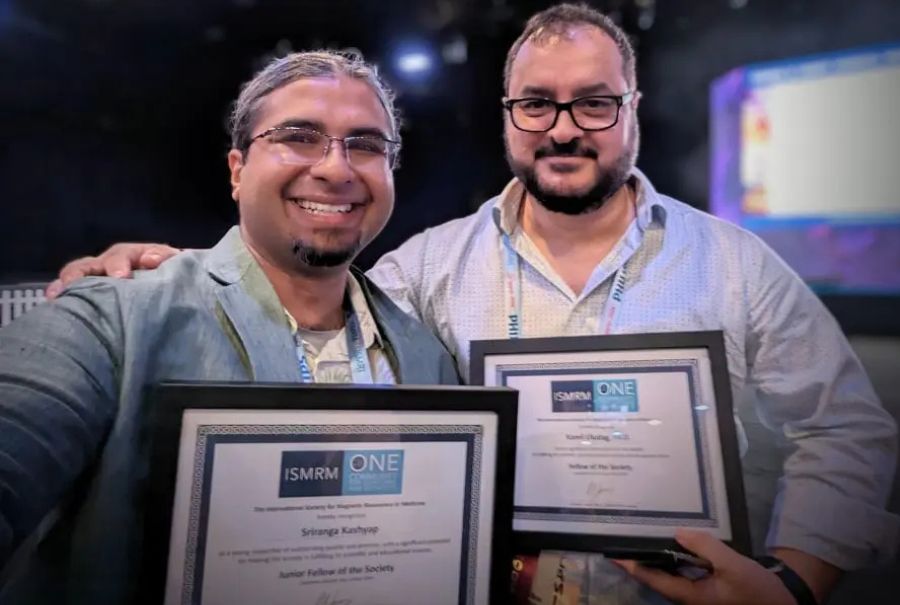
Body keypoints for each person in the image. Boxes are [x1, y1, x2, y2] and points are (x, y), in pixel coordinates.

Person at [47, 4, 899, 605]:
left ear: (631, 111)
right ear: (509, 115)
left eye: (595, 101)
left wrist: (793, 580)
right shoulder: (427, 266)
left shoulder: (737, 263)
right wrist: (176, 272)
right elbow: (304, 293)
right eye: (537, 102)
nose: (564, 126)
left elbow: (847, 427)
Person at [0, 50, 458, 604]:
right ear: (238, 171)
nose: (336, 169)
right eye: (300, 136)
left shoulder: (426, 358)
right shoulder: (116, 317)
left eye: (365, 145)